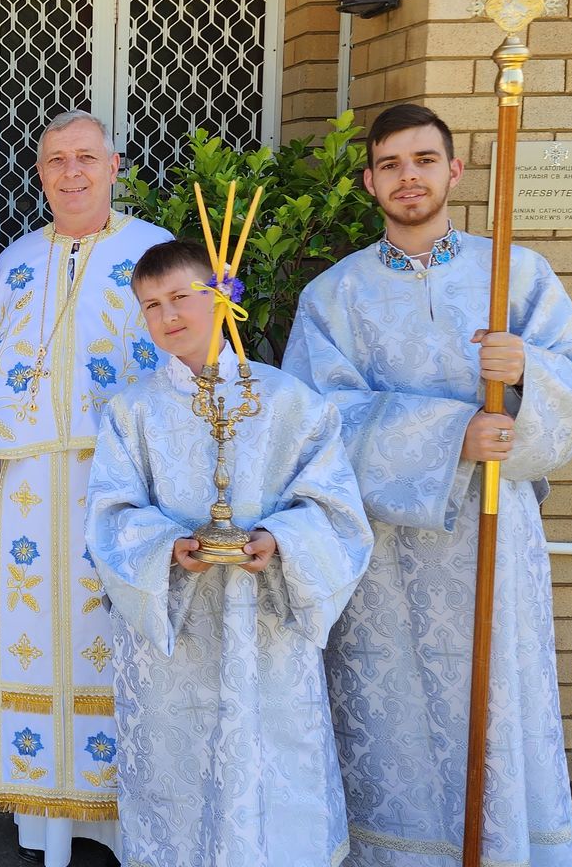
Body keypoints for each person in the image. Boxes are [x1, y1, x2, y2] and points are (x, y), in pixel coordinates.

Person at [283, 103, 572, 867]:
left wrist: (528, 369)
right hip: (384, 555)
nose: (409, 177)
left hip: (493, 537)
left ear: (454, 170)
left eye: (424, 160)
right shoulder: (334, 296)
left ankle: (499, 849)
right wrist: (447, 437)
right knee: (389, 705)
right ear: (368, 181)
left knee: (494, 699)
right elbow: (318, 420)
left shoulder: (516, 275)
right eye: (391, 164)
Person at [86, 238, 371, 867]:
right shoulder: (132, 411)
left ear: (219, 294)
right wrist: (168, 546)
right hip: (177, 637)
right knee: (178, 764)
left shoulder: (287, 402)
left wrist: (280, 541)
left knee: (271, 758)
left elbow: (334, 507)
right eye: (151, 305)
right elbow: (110, 514)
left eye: (181, 297)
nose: (168, 316)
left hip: (266, 626)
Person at [0, 110, 173, 865]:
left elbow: (179, 372)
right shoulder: (14, 262)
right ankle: (46, 821)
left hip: (123, 484)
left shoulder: (152, 254)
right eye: (55, 161)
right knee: (35, 643)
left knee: (118, 640)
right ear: (39, 173)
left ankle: (120, 817)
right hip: (29, 490)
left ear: (114, 166)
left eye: (85, 158)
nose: (70, 173)